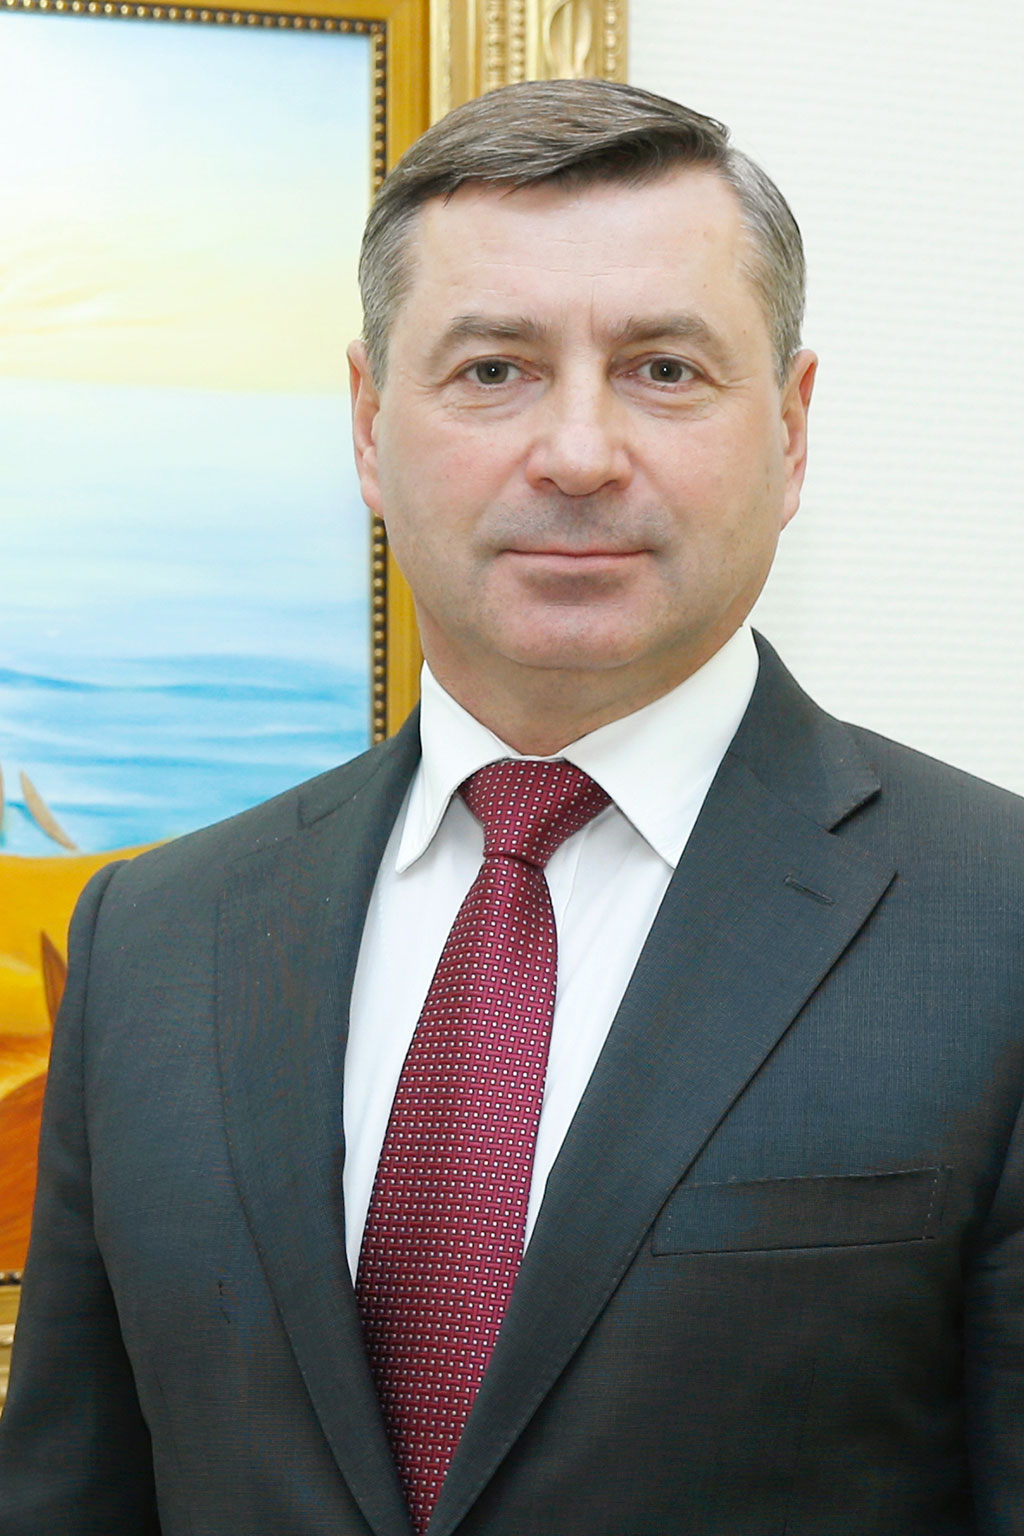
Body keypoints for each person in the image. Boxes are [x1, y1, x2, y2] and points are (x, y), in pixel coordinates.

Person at [1, 78, 1022, 1536]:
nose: (581, 453)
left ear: (793, 431)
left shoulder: (995, 925)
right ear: (370, 426)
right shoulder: (153, 941)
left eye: (664, 368)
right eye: (493, 370)